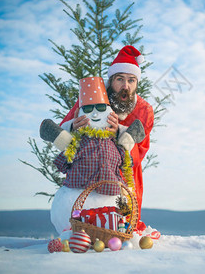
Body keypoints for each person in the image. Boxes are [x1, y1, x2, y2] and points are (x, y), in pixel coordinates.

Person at [59, 45, 154, 232]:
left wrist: (118, 132)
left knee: (121, 224)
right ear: (111, 81)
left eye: (131, 80)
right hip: (85, 169)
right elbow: (64, 129)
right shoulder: (92, 97)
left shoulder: (144, 110)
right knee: (82, 221)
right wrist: (73, 127)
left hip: (124, 174)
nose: (125, 86)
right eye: (120, 79)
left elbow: (139, 152)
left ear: (137, 83)